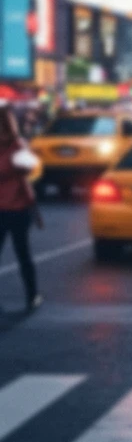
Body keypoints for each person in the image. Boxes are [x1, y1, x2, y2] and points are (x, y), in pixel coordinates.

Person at [0, 104, 43, 312]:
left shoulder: (16, 146)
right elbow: (27, 174)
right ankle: (32, 296)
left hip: (11, 209)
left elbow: (27, 173)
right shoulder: (17, 145)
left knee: (23, 254)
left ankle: (33, 295)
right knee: (23, 255)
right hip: (16, 208)